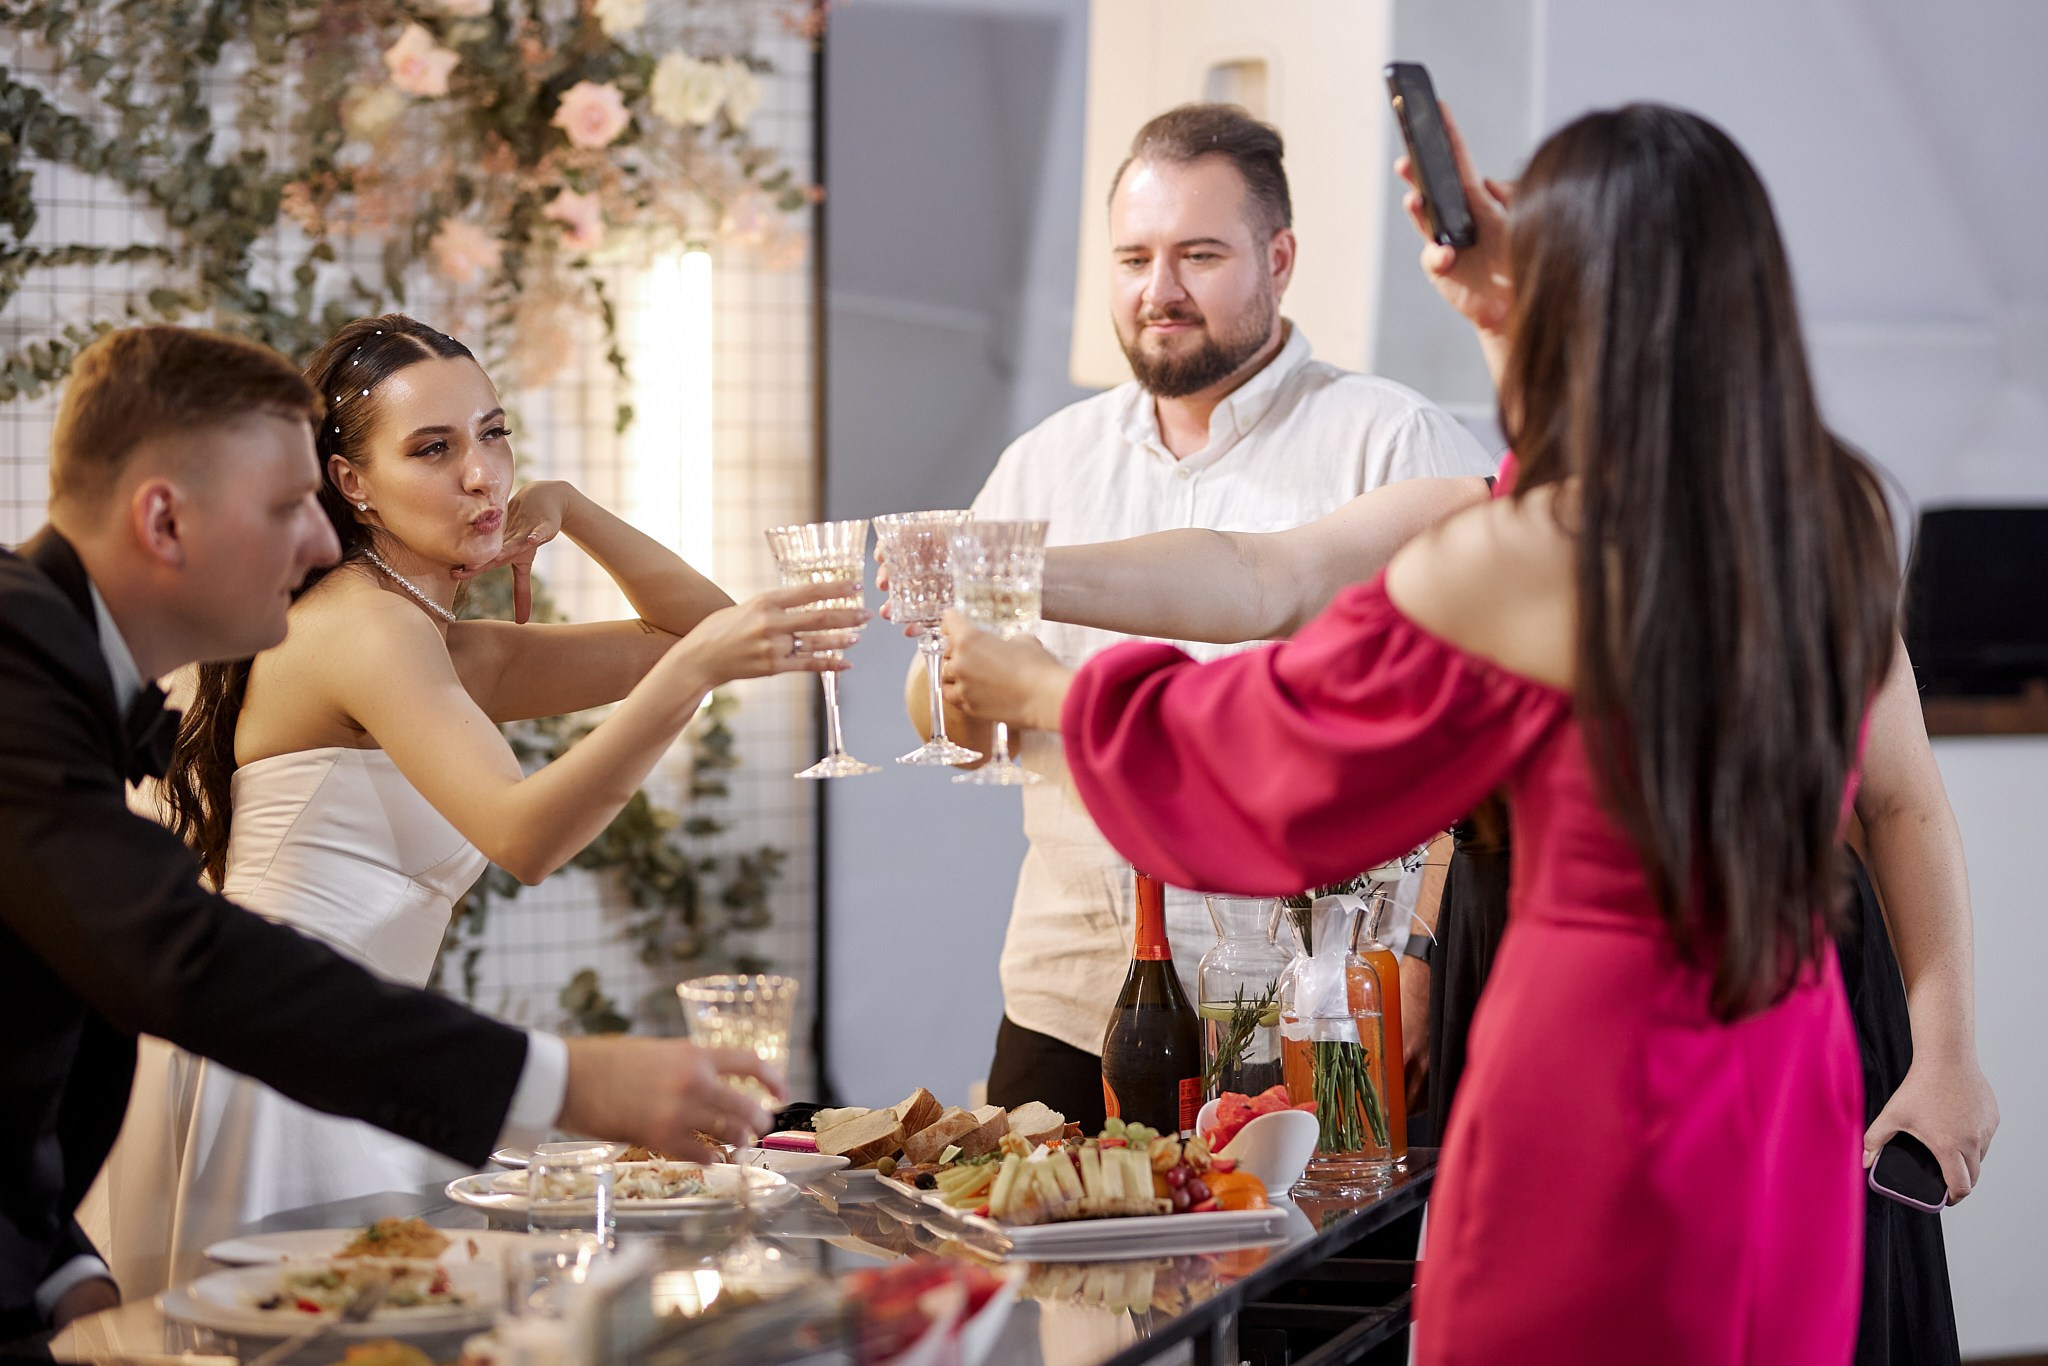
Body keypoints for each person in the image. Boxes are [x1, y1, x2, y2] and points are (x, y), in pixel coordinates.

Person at [1000, 103, 1999, 1362]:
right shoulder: (1830, 515)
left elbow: (1276, 762)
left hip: (1593, 1077)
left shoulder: (1527, 551)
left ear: (1579, 302)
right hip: (1786, 1063)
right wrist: (1509, 303)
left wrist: (1048, 694)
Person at [0, 325, 840, 1338]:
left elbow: (710, 631)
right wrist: (573, 1079)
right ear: (348, 480)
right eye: (432, 447)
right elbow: (529, 834)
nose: (481, 475)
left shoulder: (440, 641)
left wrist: (574, 513)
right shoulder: (362, 623)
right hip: (283, 1057)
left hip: (334, 1041)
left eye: (492, 434)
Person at [904, 102, 1489, 1129]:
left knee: (1310, 1291)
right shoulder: (1043, 460)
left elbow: (1462, 745)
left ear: (1279, 256)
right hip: (1067, 1000)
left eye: (1198, 255)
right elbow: (953, 717)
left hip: (1311, 1008)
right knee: (1069, 1277)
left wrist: (1424, 961)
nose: (1157, 291)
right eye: (1132, 257)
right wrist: (944, 687)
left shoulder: (1389, 442)